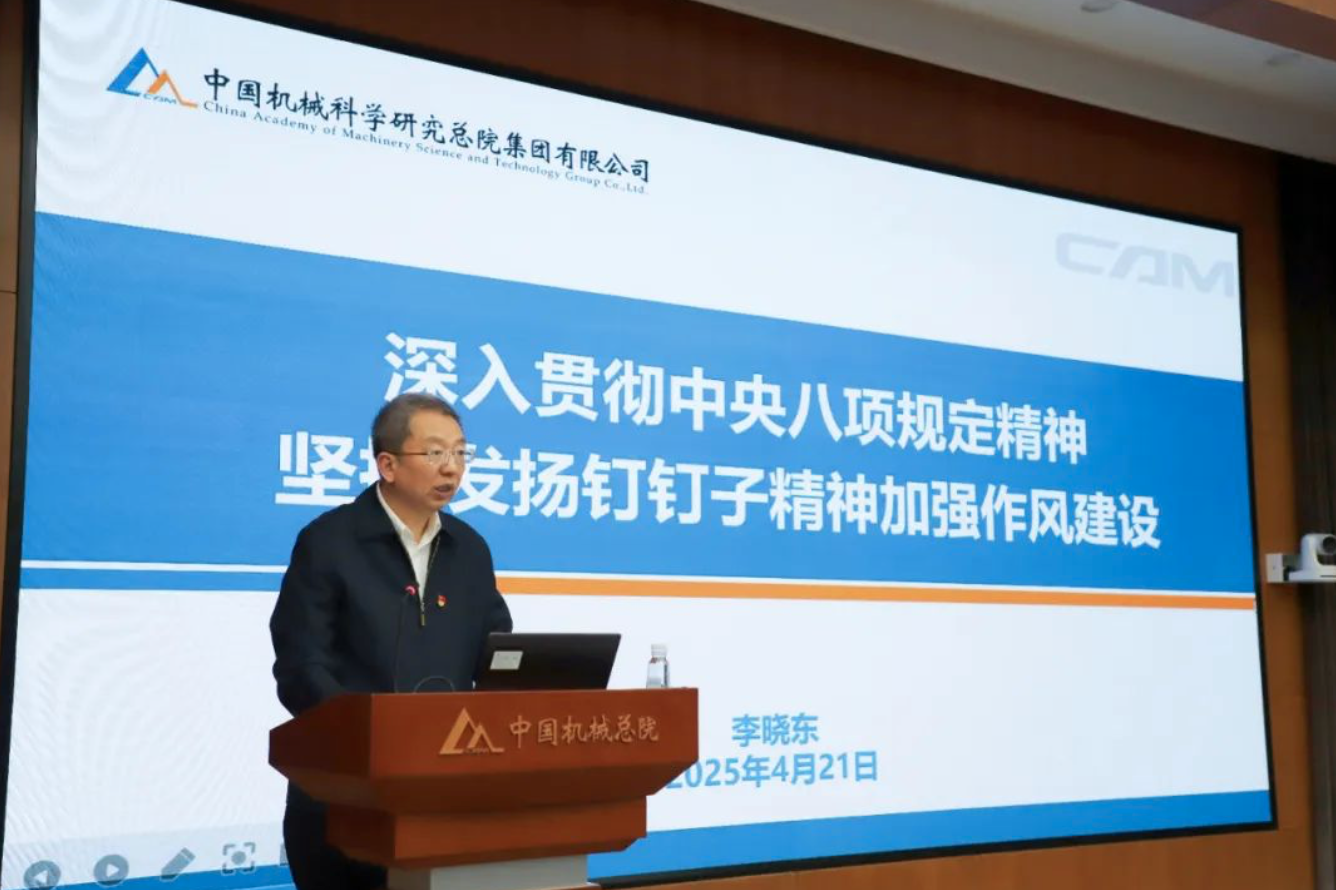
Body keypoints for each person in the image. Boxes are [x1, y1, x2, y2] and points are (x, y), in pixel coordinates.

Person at [270, 393, 512, 890]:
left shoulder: (470, 549)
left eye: (460, 452)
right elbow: (300, 668)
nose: (452, 467)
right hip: (343, 801)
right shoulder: (329, 542)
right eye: (435, 452)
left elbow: (498, 655)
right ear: (388, 465)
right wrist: (374, 738)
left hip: (442, 796)